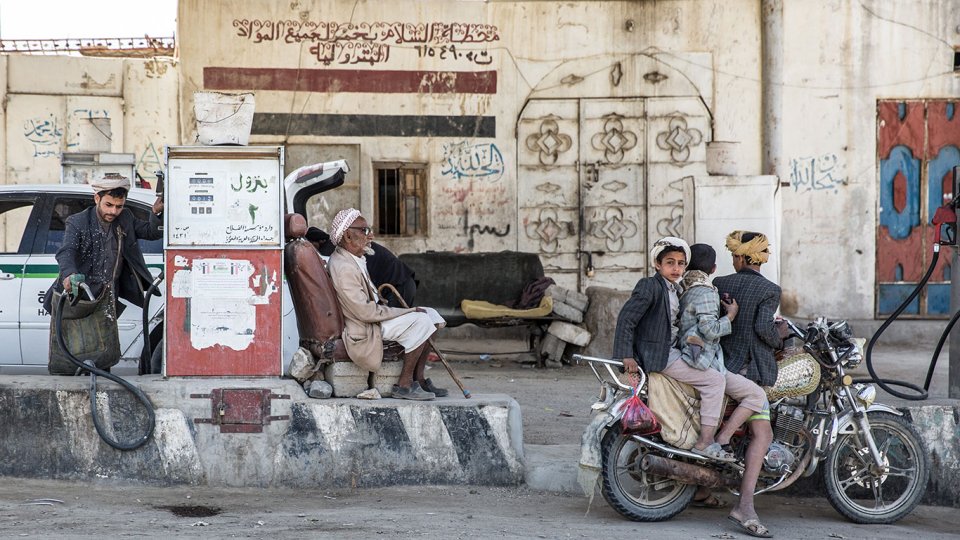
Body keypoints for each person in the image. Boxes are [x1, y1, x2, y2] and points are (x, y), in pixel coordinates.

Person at [712, 230, 788, 539]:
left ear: (741, 257)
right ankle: (745, 505)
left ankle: (704, 492)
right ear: (758, 258)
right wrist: (779, 335)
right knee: (763, 432)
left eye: (734, 255)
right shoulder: (770, 289)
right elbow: (762, 329)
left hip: (723, 363)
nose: (733, 259)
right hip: (751, 369)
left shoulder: (721, 284)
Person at [326, 208, 447, 400]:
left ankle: (419, 379)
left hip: (372, 320)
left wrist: (405, 311)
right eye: (365, 230)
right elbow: (365, 312)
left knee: (432, 315)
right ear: (348, 236)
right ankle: (404, 385)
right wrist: (406, 312)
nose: (370, 235)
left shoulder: (355, 258)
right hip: (364, 328)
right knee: (421, 321)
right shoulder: (344, 267)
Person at [43, 173, 164, 317]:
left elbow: (152, 232)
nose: (113, 211)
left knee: (106, 340)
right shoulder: (78, 222)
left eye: (119, 206)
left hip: (108, 298)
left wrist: (156, 213)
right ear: (97, 199)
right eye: (109, 205)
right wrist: (70, 274)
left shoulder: (125, 217)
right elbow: (67, 251)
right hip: (78, 300)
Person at [306, 226, 417, 309]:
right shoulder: (343, 245)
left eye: (312, 246)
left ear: (320, 241)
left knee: (396, 326)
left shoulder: (331, 247)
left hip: (399, 286)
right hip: (401, 283)